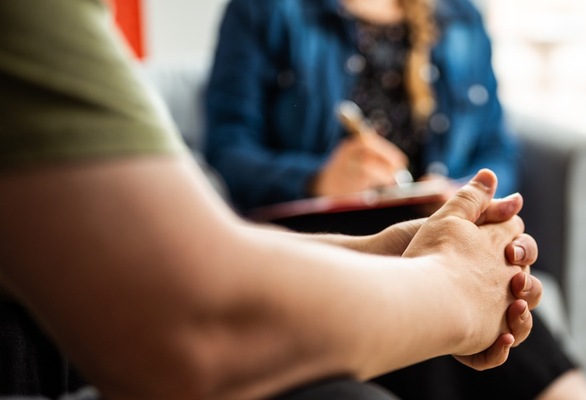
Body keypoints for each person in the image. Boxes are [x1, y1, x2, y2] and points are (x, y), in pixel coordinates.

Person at [0, 1, 543, 399]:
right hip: (308, 214)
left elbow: (133, 267)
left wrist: (386, 251)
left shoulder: (459, 17)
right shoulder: (266, 11)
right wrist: (453, 288)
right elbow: (191, 320)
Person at [204, 0, 586, 399]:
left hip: (435, 221)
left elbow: (495, 147)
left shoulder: (460, 15)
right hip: (324, 232)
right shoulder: (266, 10)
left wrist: (463, 192)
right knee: (441, 278)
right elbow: (226, 152)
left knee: (481, 273)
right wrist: (316, 178)